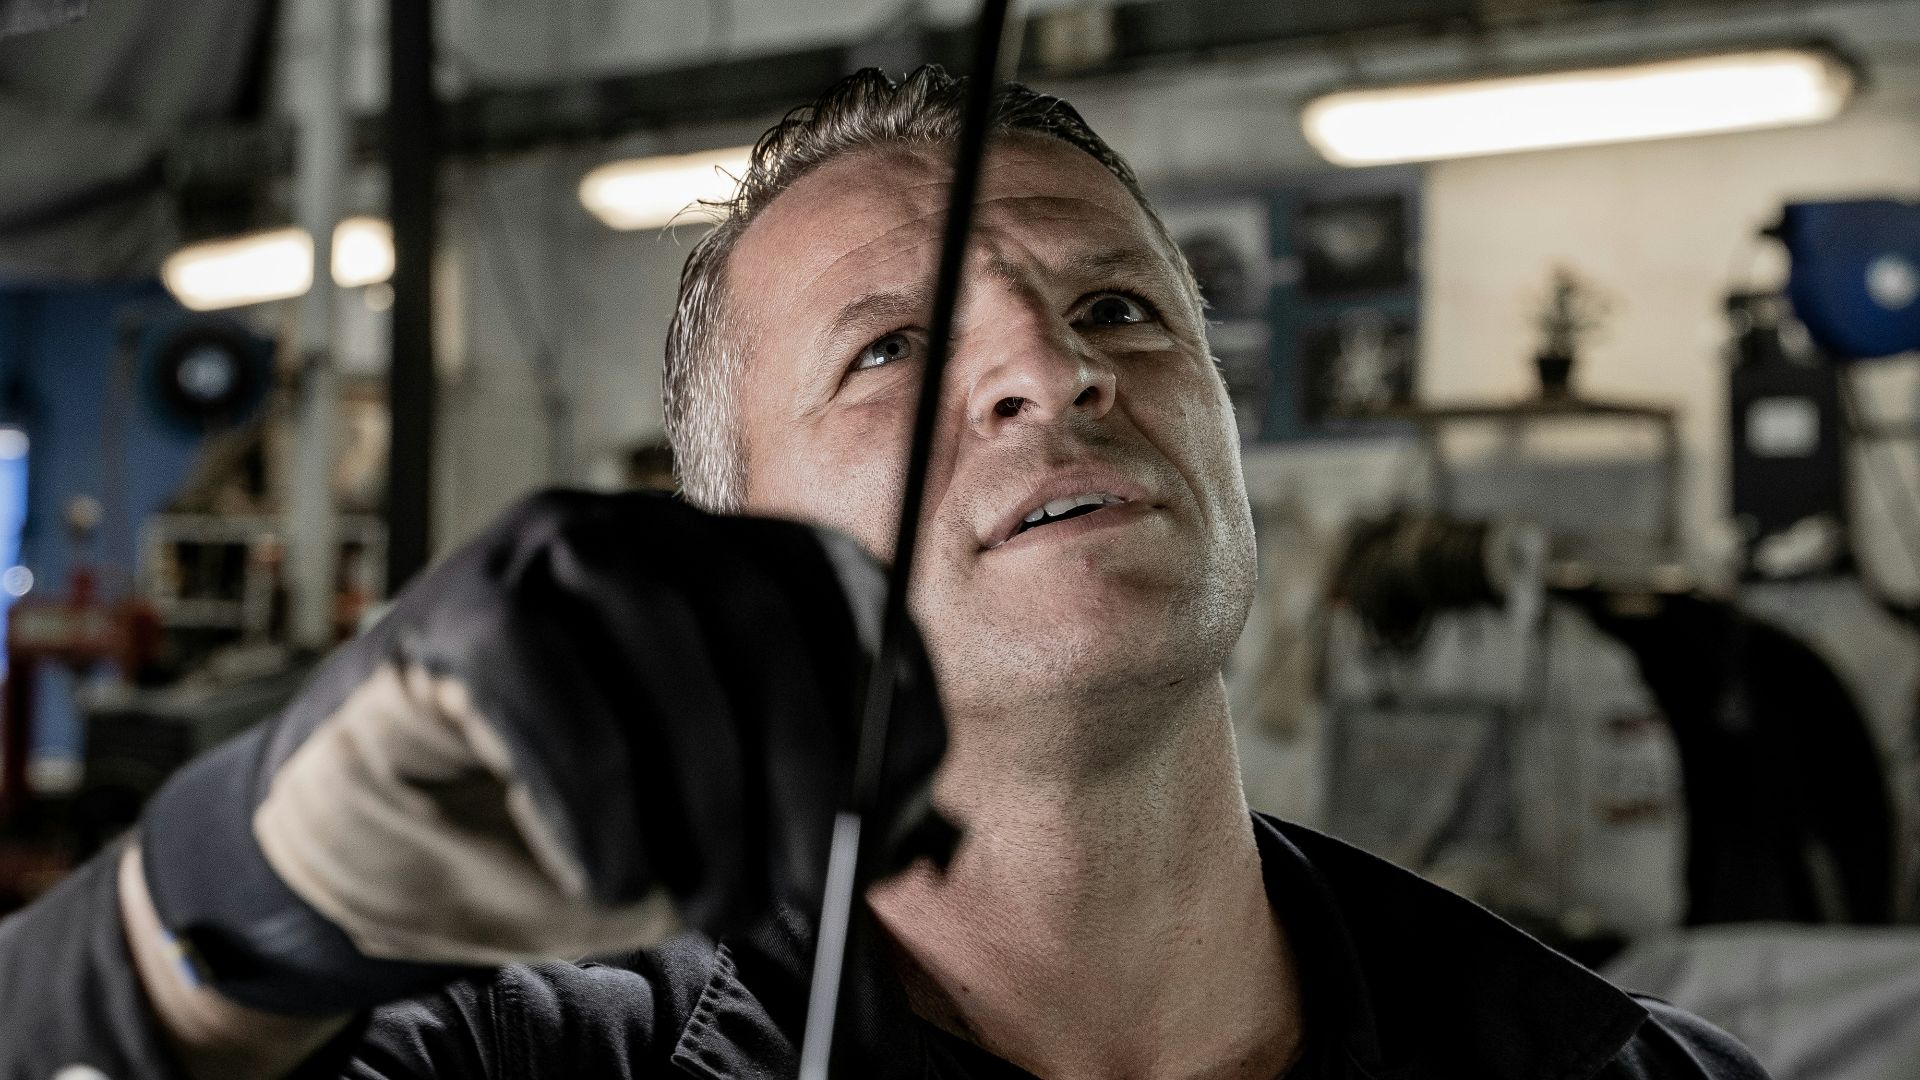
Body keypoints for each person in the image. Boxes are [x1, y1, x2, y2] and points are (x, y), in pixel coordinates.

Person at [0, 67, 1767, 1080]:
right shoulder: (524, 1071)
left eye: (1118, 310)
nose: (1056, 372)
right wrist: (249, 888)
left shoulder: (1617, 1078)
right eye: (893, 345)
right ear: (735, 522)